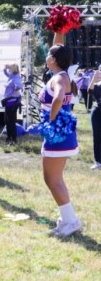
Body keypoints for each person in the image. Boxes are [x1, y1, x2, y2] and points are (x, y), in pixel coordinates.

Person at [40, 31, 82, 237]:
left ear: (54, 60)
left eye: (49, 54)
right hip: (60, 134)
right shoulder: (64, 75)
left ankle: (72, 221)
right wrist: (60, 30)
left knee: (53, 179)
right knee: (52, 178)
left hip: (57, 134)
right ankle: (67, 219)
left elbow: (57, 99)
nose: (46, 56)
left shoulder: (59, 78)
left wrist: (51, 120)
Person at [2, 63, 23, 145]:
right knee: (7, 121)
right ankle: (9, 138)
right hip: (8, 100)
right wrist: (5, 68)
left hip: (12, 101)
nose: (9, 69)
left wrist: (14, 90)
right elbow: (5, 73)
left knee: (11, 121)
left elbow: (19, 86)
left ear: (14, 69)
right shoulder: (12, 76)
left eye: (10, 68)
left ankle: (13, 139)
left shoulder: (16, 77)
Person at [89, 70, 101, 169]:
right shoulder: (97, 85)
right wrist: (94, 78)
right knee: (96, 137)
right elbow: (90, 91)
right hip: (97, 112)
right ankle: (98, 162)